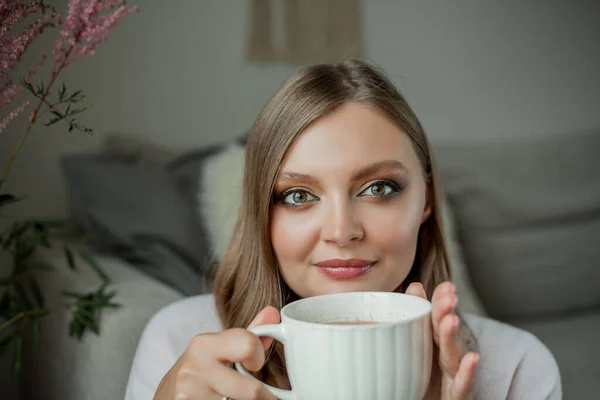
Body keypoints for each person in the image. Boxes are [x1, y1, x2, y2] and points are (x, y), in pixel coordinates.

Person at [124, 60, 561, 400]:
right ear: (262, 212)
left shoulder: (517, 369)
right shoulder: (180, 343)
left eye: (378, 188)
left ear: (426, 200)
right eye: (297, 195)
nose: (340, 231)